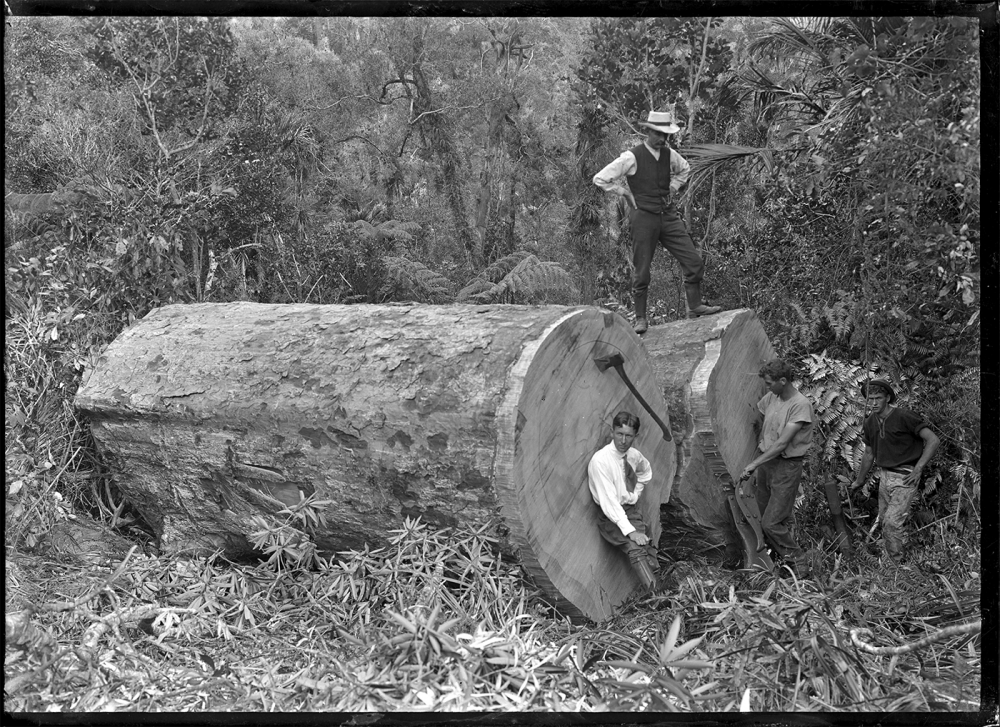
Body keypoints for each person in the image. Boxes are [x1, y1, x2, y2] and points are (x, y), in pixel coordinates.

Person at [593, 110, 722, 334]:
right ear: (648, 131)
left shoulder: (669, 154)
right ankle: (641, 318)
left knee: (693, 261)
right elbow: (600, 178)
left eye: (666, 135)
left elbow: (685, 169)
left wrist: (672, 188)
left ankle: (695, 306)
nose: (663, 139)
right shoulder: (632, 157)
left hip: (667, 215)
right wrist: (623, 191)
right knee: (642, 270)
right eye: (659, 134)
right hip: (642, 217)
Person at [850, 379, 940, 563]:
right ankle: (895, 559)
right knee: (886, 521)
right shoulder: (870, 423)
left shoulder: (904, 417)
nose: (873, 403)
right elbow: (868, 453)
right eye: (870, 398)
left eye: (878, 398)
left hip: (905, 476)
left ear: (887, 398)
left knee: (892, 522)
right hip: (885, 476)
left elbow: (933, 440)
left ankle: (898, 565)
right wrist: (859, 481)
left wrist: (918, 469)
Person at [740, 359, 814, 575]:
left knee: (772, 522)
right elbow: (762, 422)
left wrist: (754, 463)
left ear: (783, 380)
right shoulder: (773, 396)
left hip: (786, 466)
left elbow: (782, 443)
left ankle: (799, 562)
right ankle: (779, 563)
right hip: (767, 463)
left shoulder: (800, 405)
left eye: (770, 383)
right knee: (763, 518)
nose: (768, 387)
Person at [587, 411, 661, 593]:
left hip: (631, 511)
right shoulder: (600, 461)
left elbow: (646, 472)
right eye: (619, 434)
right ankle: (659, 598)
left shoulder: (634, 456)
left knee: (649, 552)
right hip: (611, 517)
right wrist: (630, 532)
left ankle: (663, 587)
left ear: (635, 436)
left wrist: (636, 492)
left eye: (628, 436)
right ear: (612, 432)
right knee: (635, 548)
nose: (623, 440)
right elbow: (609, 502)